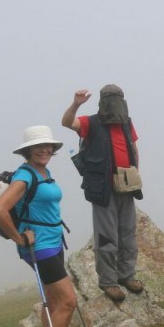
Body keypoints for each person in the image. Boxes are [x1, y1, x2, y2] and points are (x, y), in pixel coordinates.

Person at [0, 126, 93, 327]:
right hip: (40, 248)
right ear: (28, 150)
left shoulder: (43, 172)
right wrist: (19, 237)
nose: (45, 149)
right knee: (68, 301)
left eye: (48, 146)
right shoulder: (25, 175)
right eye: (39, 146)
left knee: (54, 303)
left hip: (52, 243)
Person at [62, 85, 144, 304]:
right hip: (102, 189)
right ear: (101, 101)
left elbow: (133, 148)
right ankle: (109, 281)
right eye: (110, 98)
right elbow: (67, 122)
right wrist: (76, 103)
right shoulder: (91, 122)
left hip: (126, 186)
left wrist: (135, 173)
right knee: (107, 236)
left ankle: (127, 275)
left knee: (128, 233)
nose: (114, 102)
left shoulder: (127, 122)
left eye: (117, 98)